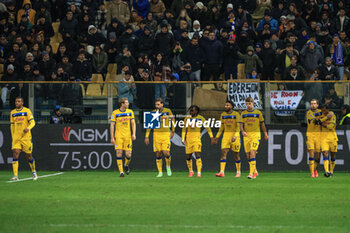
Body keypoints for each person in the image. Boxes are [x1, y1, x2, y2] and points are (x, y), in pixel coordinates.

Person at [145, 98, 175, 177]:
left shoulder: (167, 111)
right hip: (156, 135)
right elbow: (149, 125)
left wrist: (173, 131)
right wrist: (147, 136)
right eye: (156, 105)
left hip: (165, 135)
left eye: (158, 104)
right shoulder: (153, 113)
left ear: (162, 104)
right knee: (158, 154)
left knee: (166, 152)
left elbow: (173, 120)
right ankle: (160, 172)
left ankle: (168, 166)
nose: (157, 106)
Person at [182, 105, 215, 177]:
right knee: (188, 156)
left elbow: (208, 128)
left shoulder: (201, 118)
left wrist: (212, 137)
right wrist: (182, 138)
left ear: (196, 111)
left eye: (192, 110)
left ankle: (199, 172)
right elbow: (184, 129)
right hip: (188, 140)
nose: (190, 112)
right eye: (190, 110)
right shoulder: (187, 118)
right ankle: (191, 171)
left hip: (197, 139)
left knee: (197, 154)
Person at [239, 97, 268, 179]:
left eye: (250, 103)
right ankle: (255, 171)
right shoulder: (243, 113)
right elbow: (241, 124)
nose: (248, 105)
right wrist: (243, 131)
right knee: (248, 156)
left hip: (255, 135)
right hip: (246, 136)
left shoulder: (258, 113)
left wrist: (265, 134)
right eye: (247, 104)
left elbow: (262, 124)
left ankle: (251, 173)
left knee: (252, 153)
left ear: (253, 104)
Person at [10, 97, 37, 181]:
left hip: (26, 138)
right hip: (16, 138)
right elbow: (12, 126)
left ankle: (33, 171)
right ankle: (15, 175)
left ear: (22, 103)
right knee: (15, 153)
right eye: (16, 101)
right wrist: (13, 137)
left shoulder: (27, 111)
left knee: (29, 156)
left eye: (19, 101)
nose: (17, 103)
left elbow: (33, 122)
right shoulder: (12, 112)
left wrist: (28, 128)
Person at [213, 101, 241, 177]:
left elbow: (238, 127)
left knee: (236, 155)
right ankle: (222, 172)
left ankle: (238, 172)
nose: (225, 106)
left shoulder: (236, 114)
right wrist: (217, 137)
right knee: (223, 153)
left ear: (231, 106)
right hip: (226, 136)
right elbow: (221, 127)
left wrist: (235, 136)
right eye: (225, 105)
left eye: (227, 105)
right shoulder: (223, 115)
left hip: (235, 137)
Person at [110, 97, 136, 177]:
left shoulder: (130, 112)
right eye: (126, 102)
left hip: (127, 136)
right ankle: (121, 172)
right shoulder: (115, 113)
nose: (128, 104)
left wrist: (133, 134)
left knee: (128, 155)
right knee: (119, 153)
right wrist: (112, 137)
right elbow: (112, 125)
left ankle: (126, 165)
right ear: (122, 104)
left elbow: (133, 123)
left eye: (128, 102)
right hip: (119, 136)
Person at [305, 99, 323, 178]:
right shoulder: (309, 113)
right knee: (311, 152)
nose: (313, 105)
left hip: (319, 136)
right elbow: (315, 120)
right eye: (311, 104)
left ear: (317, 105)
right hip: (310, 135)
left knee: (318, 156)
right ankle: (312, 172)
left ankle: (315, 169)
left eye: (314, 103)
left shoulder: (321, 112)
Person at [320, 104, 337, 177]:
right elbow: (317, 122)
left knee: (332, 155)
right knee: (325, 153)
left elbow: (331, 126)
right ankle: (327, 171)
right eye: (322, 110)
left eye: (324, 110)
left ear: (327, 109)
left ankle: (331, 171)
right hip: (324, 138)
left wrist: (323, 124)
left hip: (332, 137)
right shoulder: (321, 116)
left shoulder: (332, 115)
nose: (323, 111)